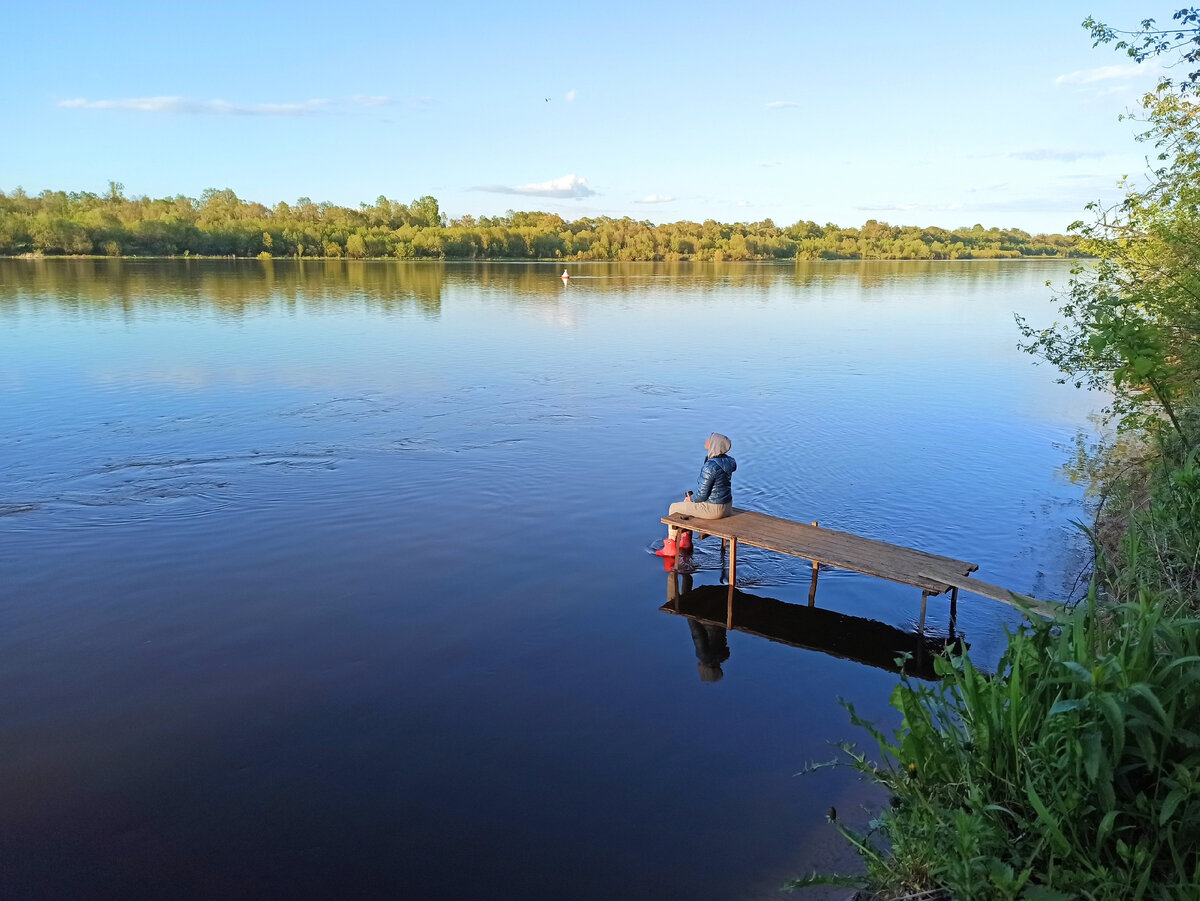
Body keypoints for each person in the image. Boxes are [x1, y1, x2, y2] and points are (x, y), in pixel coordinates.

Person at [655, 432, 736, 557]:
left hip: (713, 510)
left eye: (710, 438)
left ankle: (671, 548)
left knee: (674, 507)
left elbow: (702, 496)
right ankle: (685, 542)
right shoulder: (728, 462)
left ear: (714, 444)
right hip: (727, 507)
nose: (706, 440)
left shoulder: (711, 466)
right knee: (686, 503)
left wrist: (691, 499)